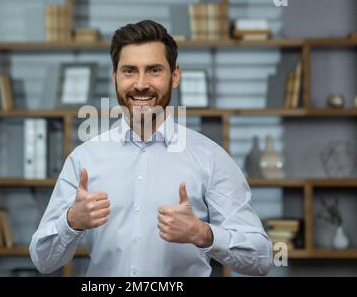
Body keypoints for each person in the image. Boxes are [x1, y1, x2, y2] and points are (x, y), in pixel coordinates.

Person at [29, 20, 273, 277]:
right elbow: (42, 261)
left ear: (175, 76)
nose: (141, 84)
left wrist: (203, 234)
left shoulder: (210, 158)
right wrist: (71, 222)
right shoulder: (83, 160)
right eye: (129, 71)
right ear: (114, 76)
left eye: (154, 70)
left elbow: (262, 258)